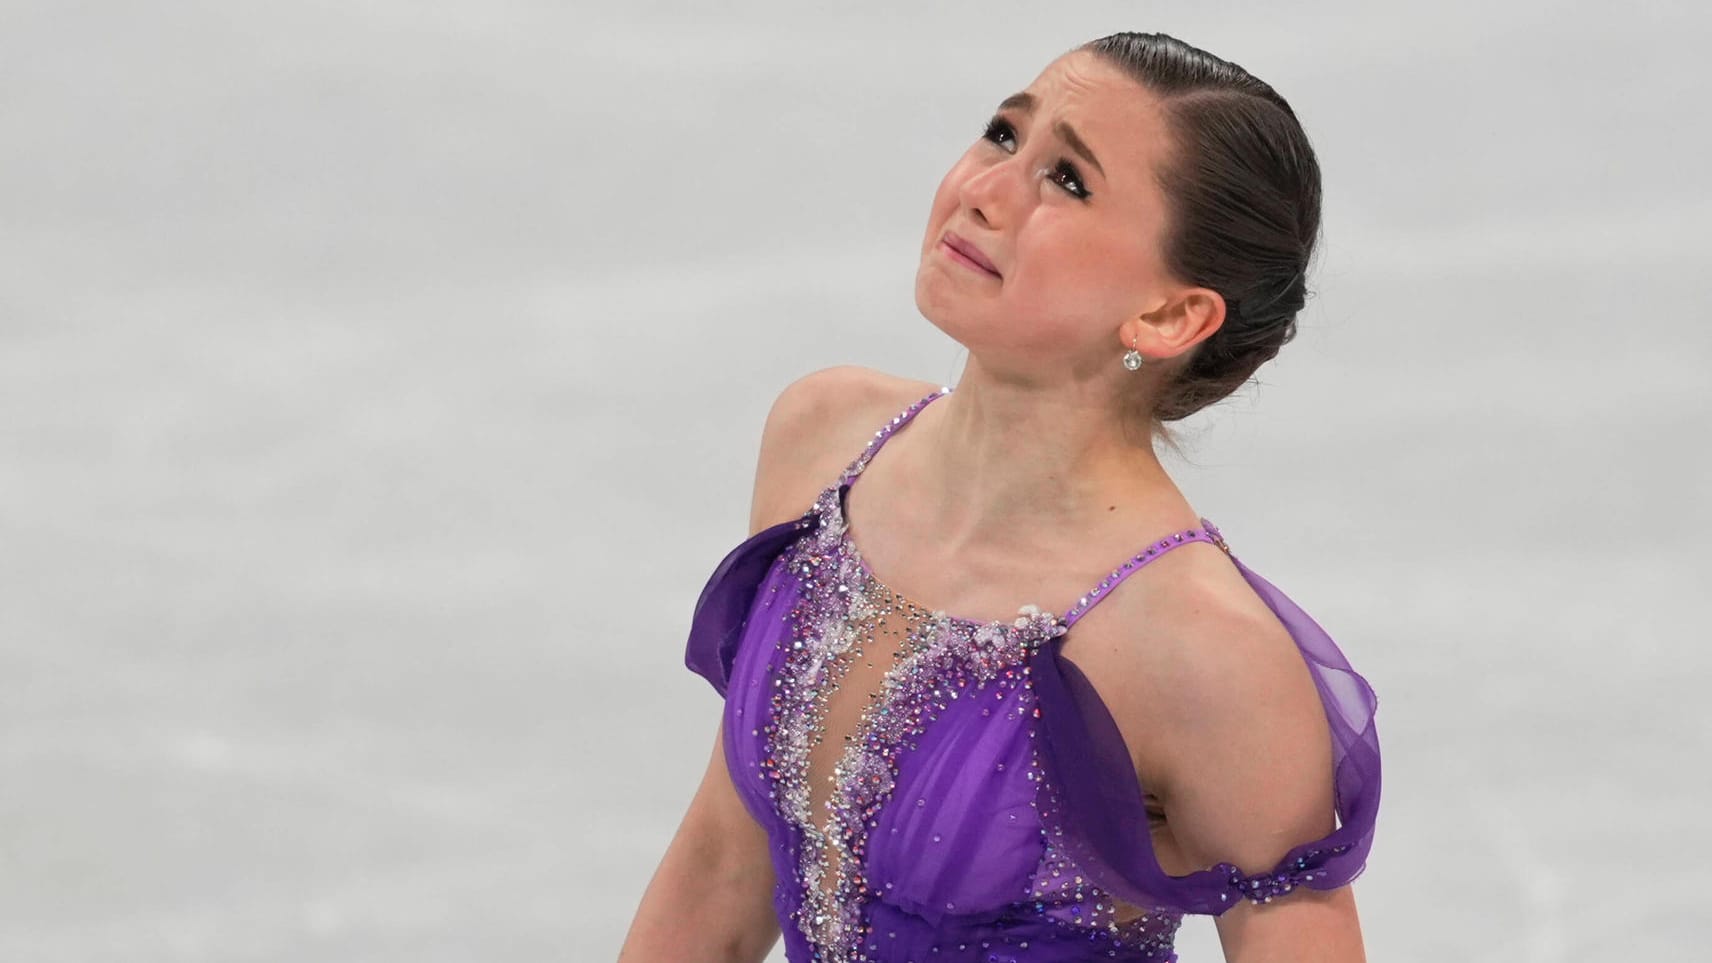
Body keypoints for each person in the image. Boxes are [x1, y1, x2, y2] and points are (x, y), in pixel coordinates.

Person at [620, 31, 1381, 963]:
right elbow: (720, 870)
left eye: (1067, 181)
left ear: (1172, 315)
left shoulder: (1200, 648)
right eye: (1002, 134)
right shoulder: (823, 440)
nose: (983, 190)